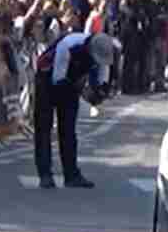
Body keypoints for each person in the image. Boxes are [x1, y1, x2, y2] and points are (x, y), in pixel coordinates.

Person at [33, 28, 117, 189]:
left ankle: (71, 175)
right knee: (44, 127)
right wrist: (80, 93)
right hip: (47, 79)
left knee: (69, 130)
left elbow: (102, 74)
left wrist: (100, 90)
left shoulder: (102, 49)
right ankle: (45, 175)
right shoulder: (69, 45)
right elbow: (58, 79)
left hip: (71, 81)